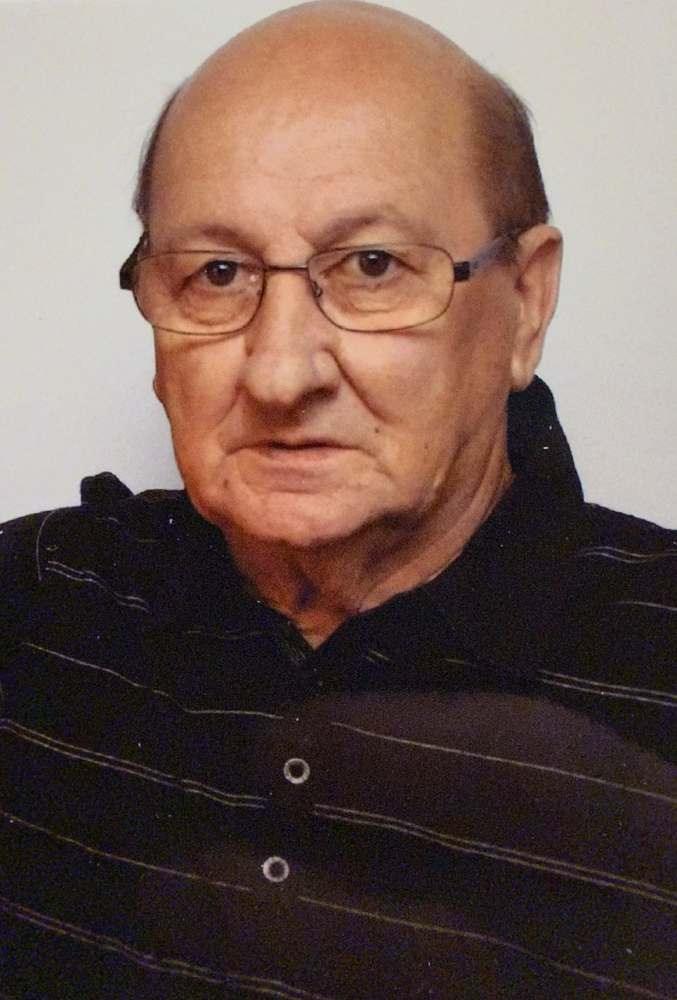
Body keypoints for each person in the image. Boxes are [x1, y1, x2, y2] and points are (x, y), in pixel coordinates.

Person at [1, 2, 676, 997]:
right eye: (217, 273)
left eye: (371, 266)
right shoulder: (27, 604)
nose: (279, 372)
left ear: (525, 303)